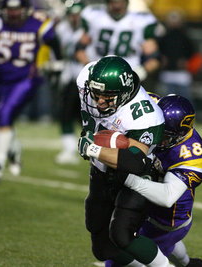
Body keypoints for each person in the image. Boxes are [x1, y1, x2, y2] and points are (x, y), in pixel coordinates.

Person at [76, 55, 169, 266]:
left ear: (124, 92)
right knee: (101, 246)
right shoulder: (86, 78)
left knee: (122, 234)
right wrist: (91, 136)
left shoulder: (145, 115)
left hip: (137, 175)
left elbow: (135, 161)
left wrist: (92, 147)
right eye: (96, 93)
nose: (99, 101)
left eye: (107, 97)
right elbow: (90, 116)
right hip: (101, 169)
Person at [106, 94, 202, 267]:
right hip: (145, 199)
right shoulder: (152, 103)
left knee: (116, 256)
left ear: (179, 135)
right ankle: (188, 264)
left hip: (166, 219)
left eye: (164, 135)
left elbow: (167, 197)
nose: (157, 136)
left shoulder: (195, 155)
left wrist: (127, 178)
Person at [0, 0, 62, 184]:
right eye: (10, 9)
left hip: (25, 78)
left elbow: (54, 43)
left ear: (26, 10)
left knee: (5, 114)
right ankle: (14, 149)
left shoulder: (38, 22)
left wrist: (58, 65)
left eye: (17, 9)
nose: (13, 13)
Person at [75, 0, 162, 83]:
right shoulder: (95, 17)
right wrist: (89, 67)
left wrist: (141, 71)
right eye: (114, 2)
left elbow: (154, 57)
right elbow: (79, 48)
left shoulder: (140, 21)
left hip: (128, 73)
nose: (117, 6)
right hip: (98, 72)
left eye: (120, 2)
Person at [54, 1, 87, 165]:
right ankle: (68, 149)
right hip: (69, 76)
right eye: (72, 14)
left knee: (89, 117)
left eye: (78, 14)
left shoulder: (90, 29)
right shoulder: (62, 29)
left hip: (89, 79)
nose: (75, 18)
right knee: (65, 113)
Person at [158, 11, 196, 103]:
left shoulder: (185, 37)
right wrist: (161, 59)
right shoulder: (163, 37)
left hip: (182, 74)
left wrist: (187, 62)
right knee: (165, 103)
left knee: (185, 102)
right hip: (167, 73)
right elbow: (158, 52)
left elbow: (193, 53)